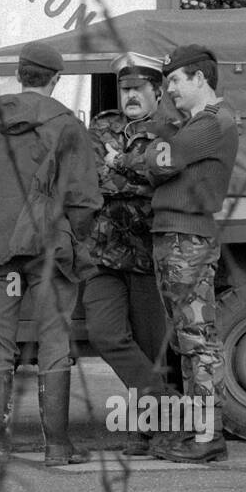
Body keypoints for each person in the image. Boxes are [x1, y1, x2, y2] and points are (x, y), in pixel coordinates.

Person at [0, 41, 102, 466]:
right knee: (54, 343)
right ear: (55, 79)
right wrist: (73, 238)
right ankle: (57, 446)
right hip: (49, 248)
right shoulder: (66, 124)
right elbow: (85, 199)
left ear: (20, 74)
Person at [142, 45, 239, 463]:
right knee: (185, 338)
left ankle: (208, 435)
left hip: (188, 238)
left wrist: (141, 157)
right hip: (176, 236)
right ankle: (196, 431)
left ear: (201, 78)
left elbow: (161, 160)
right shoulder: (195, 124)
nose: (170, 90)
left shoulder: (212, 122)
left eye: (177, 81)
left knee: (197, 340)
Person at [83, 53, 179, 455]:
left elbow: (162, 180)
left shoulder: (172, 129)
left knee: (153, 344)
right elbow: (91, 179)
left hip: (148, 252)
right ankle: (166, 410)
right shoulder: (102, 125)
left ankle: (153, 430)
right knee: (105, 334)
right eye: (125, 90)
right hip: (103, 254)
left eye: (138, 89)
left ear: (157, 91)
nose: (130, 96)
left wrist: (119, 168)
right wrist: (130, 171)